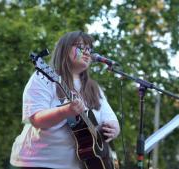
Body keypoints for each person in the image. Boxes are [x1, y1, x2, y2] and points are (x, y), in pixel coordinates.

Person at [10, 31, 120, 169]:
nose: (87, 52)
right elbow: (36, 119)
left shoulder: (94, 88)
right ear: (65, 49)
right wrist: (65, 111)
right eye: (80, 47)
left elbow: (110, 119)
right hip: (38, 162)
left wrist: (114, 129)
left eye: (89, 49)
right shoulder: (44, 77)